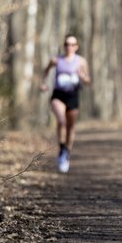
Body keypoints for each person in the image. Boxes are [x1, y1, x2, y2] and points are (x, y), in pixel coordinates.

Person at [40, 34, 91, 173]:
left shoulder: (81, 61)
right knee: (61, 122)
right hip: (58, 95)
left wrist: (83, 77)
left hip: (73, 96)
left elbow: (88, 81)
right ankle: (62, 148)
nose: (69, 47)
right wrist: (43, 84)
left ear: (77, 47)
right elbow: (45, 71)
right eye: (67, 44)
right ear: (64, 46)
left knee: (70, 126)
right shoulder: (56, 60)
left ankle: (66, 153)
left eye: (72, 44)